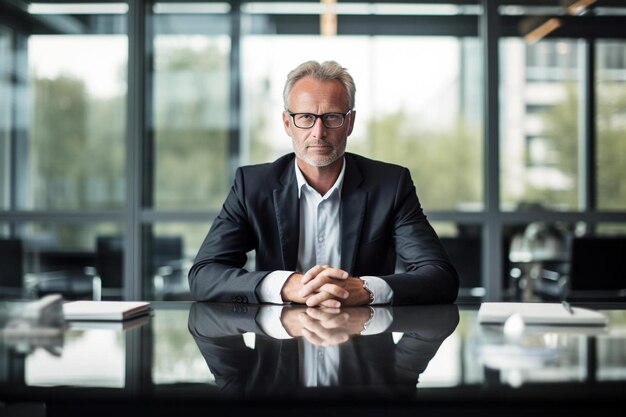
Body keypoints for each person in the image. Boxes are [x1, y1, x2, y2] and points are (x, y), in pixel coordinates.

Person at [188, 60, 458, 307]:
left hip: (366, 349)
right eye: (305, 117)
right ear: (287, 123)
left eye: (332, 117)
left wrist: (366, 289)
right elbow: (204, 274)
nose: (318, 133)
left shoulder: (390, 186)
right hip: (279, 351)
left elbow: (439, 276)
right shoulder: (253, 185)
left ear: (350, 122)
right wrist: (285, 285)